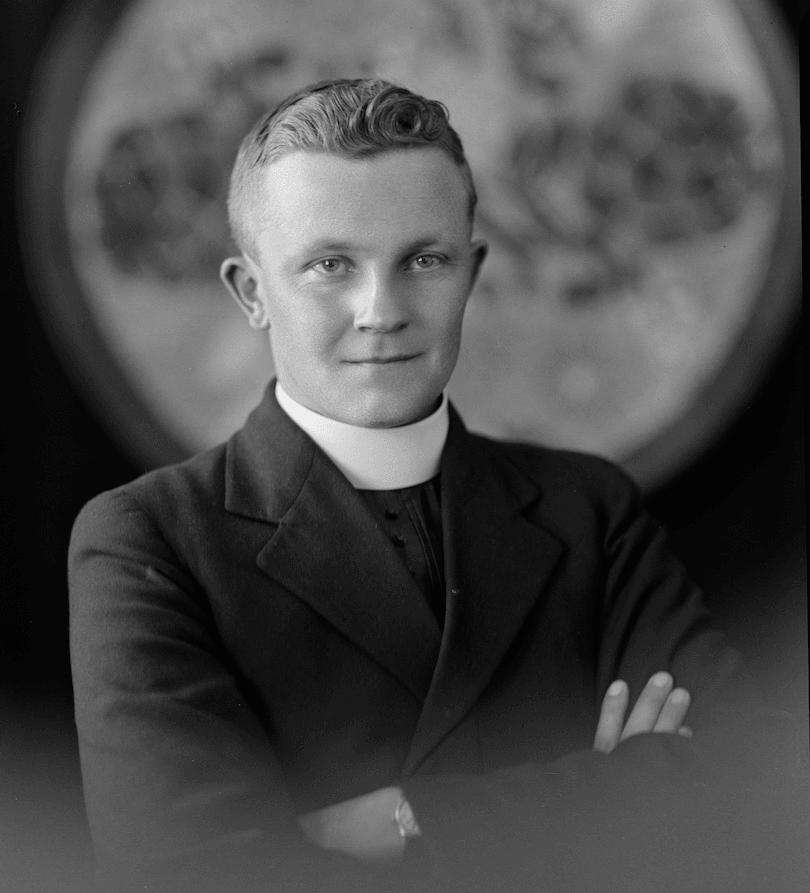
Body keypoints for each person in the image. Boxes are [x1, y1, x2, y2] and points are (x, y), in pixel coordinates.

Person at [68, 79, 799, 893]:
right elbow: (196, 875)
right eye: (329, 264)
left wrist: (407, 818)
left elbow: (748, 791)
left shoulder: (589, 509)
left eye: (424, 259)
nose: (381, 310)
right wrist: (608, 793)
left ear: (472, 271)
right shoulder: (150, 539)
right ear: (251, 293)